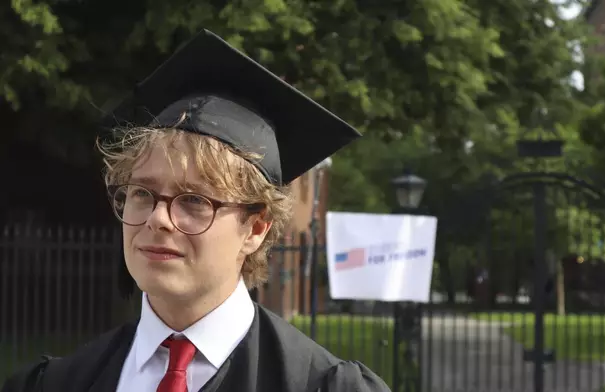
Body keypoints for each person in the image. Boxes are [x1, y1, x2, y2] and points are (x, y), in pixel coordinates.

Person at [1, 29, 391, 392]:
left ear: (255, 228)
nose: (156, 219)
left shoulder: (319, 385)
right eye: (141, 193)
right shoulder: (55, 384)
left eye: (193, 201)